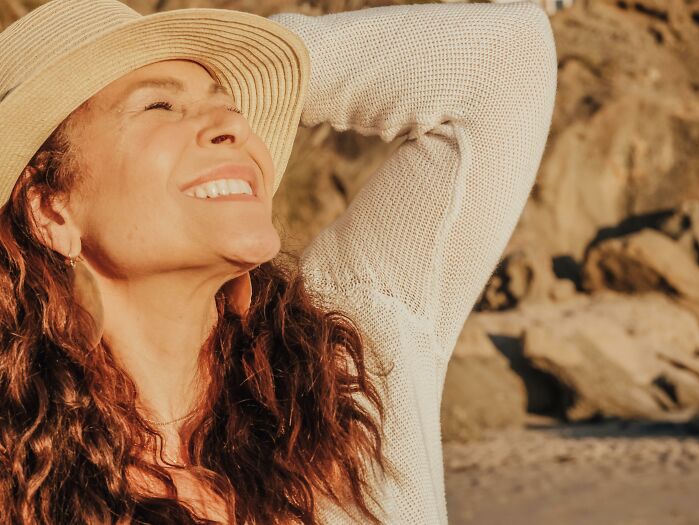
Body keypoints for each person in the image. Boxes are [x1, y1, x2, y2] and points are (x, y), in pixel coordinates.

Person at [0, 0, 557, 523]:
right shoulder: (18, 471)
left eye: (232, 107)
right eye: (159, 105)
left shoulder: (349, 359)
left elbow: (506, 60)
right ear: (51, 207)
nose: (236, 126)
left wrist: (270, 60)